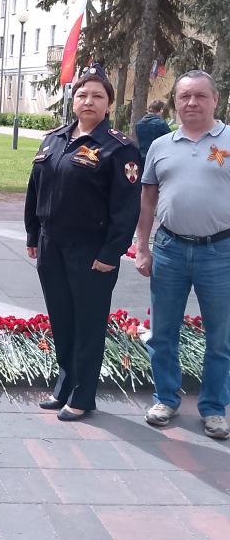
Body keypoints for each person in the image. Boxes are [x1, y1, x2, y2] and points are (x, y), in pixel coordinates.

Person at [25, 64, 141, 421]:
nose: (88, 101)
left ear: (108, 104)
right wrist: (32, 234)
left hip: (91, 251)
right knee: (61, 318)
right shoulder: (54, 139)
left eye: (97, 96)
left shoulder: (118, 149)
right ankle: (64, 386)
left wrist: (111, 253)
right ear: (72, 100)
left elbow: (126, 209)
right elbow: (35, 190)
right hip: (51, 245)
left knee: (88, 322)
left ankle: (83, 395)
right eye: (82, 95)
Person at [135, 70, 230, 440]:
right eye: (184, 96)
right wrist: (142, 246)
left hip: (220, 252)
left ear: (215, 100)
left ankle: (213, 408)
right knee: (163, 332)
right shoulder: (162, 145)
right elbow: (147, 200)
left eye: (200, 96)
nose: (191, 103)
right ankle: (166, 398)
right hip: (170, 250)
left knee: (220, 337)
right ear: (175, 101)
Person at [135, 100, 171, 170]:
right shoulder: (161, 124)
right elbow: (170, 141)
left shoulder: (138, 124)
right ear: (161, 110)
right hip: (157, 159)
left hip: (142, 159)